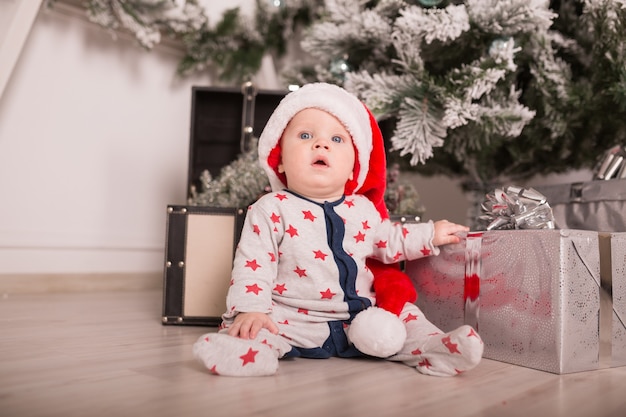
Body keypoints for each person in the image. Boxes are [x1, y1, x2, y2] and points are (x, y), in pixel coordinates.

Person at [193, 83, 483, 377]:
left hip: (359, 317)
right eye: (305, 136)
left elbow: (390, 240)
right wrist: (250, 308)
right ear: (279, 158)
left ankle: (436, 348)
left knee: (407, 317)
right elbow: (252, 264)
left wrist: (430, 234)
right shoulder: (271, 208)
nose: (321, 145)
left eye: (336, 139)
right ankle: (249, 355)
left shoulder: (362, 209)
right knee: (258, 327)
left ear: (352, 168)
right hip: (293, 317)